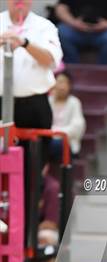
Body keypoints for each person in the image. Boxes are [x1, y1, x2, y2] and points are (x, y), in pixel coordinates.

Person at [0, 0, 63, 163]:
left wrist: (24, 43)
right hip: (1, 102)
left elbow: (50, 60)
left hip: (34, 105)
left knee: (32, 165)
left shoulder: (44, 26)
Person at [55, 0, 107, 64]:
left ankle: (104, 72)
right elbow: (61, 7)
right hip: (74, 29)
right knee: (60, 32)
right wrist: (73, 23)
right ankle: (71, 70)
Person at [49, 70, 86, 161]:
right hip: (48, 138)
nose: (62, 86)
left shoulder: (74, 102)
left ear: (69, 86)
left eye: (65, 83)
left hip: (67, 142)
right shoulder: (48, 101)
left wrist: (55, 133)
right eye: (59, 82)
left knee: (54, 144)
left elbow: (77, 127)